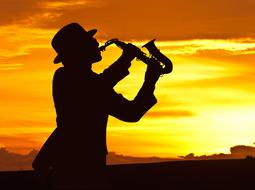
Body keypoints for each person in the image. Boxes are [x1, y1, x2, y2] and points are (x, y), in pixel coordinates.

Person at [32, 23, 161, 189]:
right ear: (78, 50)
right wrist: (125, 59)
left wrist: (150, 82)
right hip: (73, 168)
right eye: (89, 41)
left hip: (91, 167)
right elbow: (96, 87)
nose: (96, 43)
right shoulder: (65, 77)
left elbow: (131, 113)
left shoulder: (97, 87)